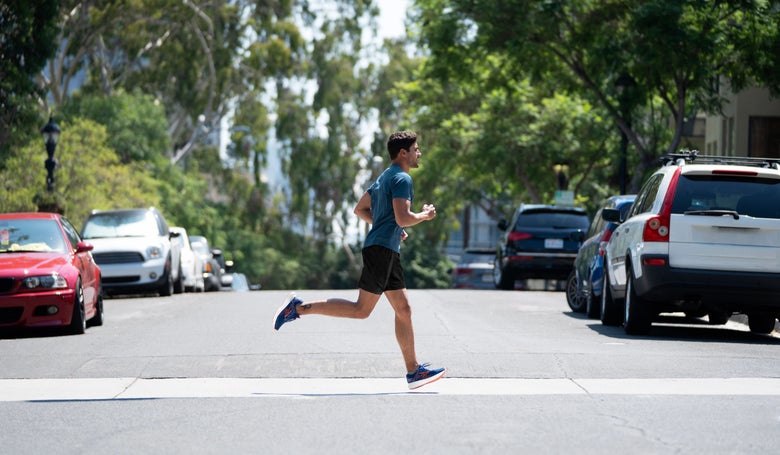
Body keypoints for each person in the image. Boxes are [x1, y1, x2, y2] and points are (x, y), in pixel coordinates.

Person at [272, 130, 445, 390]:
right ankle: (297, 308)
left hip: (386, 248)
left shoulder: (385, 176)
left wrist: (393, 225)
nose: (419, 153)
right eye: (416, 149)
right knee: (361, 310)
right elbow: (403, 217)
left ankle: (414, 372)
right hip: (382, 251)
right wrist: (424, 215)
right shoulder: (402, 178)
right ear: (403, 153)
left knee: (404, 310)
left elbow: (360, 209)